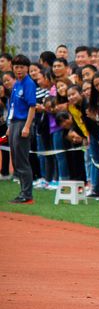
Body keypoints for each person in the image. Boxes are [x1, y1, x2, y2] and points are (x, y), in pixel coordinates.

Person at [6, 54, 37, 203]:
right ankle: (23, 191)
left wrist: (26, 126)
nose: (19, 70)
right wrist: (9, 125)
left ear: (27, 68)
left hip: (22, 122)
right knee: (16, 159)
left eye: (22, 67)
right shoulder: (16, 83)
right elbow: (12, 105)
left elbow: (32, 106)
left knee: (22, 159)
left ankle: (27, 194)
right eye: (16, 67)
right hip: (14, 123)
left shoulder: (28, 83)